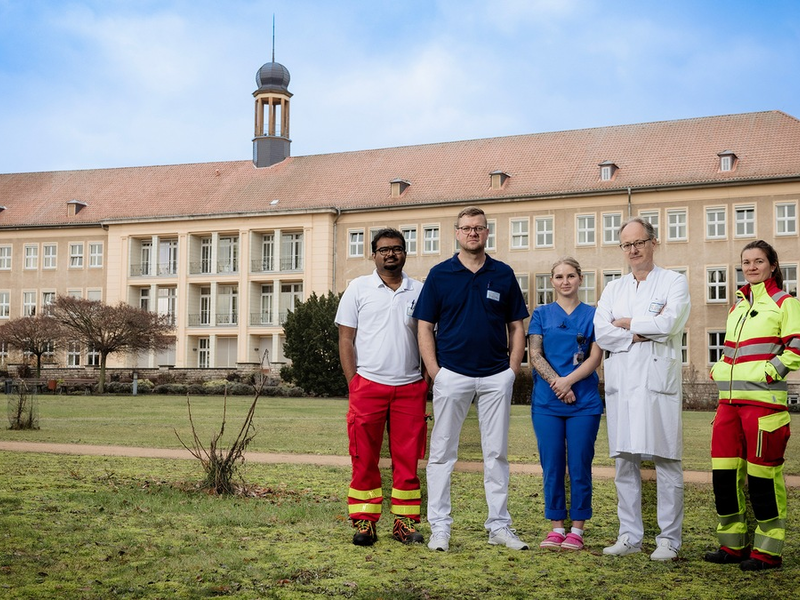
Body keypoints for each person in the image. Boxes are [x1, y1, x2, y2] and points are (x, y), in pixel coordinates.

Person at [413, 206, 529, 552]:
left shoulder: (503, 274)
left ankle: (499, 526)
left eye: (478, 228)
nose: (472, 233)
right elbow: (424, 326)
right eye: (466, 228)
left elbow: (516, 326)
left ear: (487, 232)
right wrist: (436, 372)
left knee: (496, 454)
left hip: (496, 376)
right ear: (457, 233)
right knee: (442, 454)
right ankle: (440, 527)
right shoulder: (439, 274)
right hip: (453, 375)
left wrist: (511, 370)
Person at [593, 217, 691, 561]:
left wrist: (628, 324)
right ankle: (630, 535)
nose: (633, 250)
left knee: (666, 461)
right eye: (627, 245)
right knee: (625, 462)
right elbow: (601, 333)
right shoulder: (613, 289)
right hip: (624, 386)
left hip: (656, 385)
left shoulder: (674, 282)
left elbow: (672, 322)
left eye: (639, 242)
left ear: (653, 242)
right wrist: (641, 331)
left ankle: (669, 539)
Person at [705, 240, 800, 571]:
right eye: (746, 262)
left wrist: (771, 371)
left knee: (762, 479)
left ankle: (767, 553)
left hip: (764, 406)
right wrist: (718, 368)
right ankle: (732, 546)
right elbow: (731, 350)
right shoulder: (737, 307)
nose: (751, 267)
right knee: (724, 476)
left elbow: (796, 347)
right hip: (728, 405)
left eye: (758, 261)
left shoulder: (785, 303)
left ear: (772, 265)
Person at [335, 228, 429, 546]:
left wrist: (426, 381)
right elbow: (345, 338)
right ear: (373, 254)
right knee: (364, 457)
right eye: (384, 249)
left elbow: (430, 338)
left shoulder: (420, 291)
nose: (391, 253)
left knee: (408, 458)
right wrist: (354, 383)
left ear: (405, 253)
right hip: (368, 386)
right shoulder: (358, 288)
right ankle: (365, 522)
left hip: (409, 388)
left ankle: (404, 522)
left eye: (397, 248)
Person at [528, 257, 603, 551]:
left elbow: (596, 357)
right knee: (553, 466)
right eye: (559, 277)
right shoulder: (541, 314)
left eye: (571, 275)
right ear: (552, 282)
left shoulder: (594, 315)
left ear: (580, 279)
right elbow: (535, 355)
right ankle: (556, 526)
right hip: (547, 403)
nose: (565, 281)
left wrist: (568, 382)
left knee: (580, 465)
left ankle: (577, 529)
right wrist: (559, 386)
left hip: (584, 402)